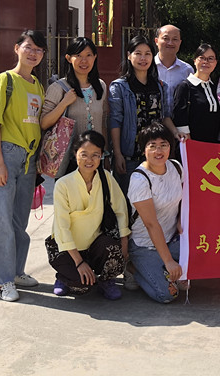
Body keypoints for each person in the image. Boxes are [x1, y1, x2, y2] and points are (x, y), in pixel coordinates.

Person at [0, 29, 47, 302]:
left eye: (38, 50)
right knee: (0, 222)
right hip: (6, 155)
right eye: (28, 47)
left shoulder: (38, 85)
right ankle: (1, 280)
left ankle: (17, 272)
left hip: (28, 161)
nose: (33, 53)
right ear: (17, 48)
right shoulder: (4, 80)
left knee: (19, 222)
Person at [49, 130, 129, 300]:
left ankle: (106, 281)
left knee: (113, 249)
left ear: (101, 156)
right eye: (84, 154)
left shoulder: (106, 178)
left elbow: (121, 210)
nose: (89, 160)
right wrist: (78, 262)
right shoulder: (63, 185)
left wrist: (124, 242)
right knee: (82, 288)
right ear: (75, 154)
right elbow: (62, 227)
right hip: (67, 249)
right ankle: (63, 277)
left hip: (95, 245)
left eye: (95, 155)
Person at [108, 35, 181, 192]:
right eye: (138, 53)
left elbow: (165, 116)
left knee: (156, 198)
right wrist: (118, 154)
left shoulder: (161, 86)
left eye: (147, 54)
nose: (143, 58)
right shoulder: (119, 87)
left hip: (156, 154)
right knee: (129, 199)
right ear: (129, 55)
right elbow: (115, 121)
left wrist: (176, 133)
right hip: (130, 156)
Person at [127, 121, 184, 303]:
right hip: (145, 245)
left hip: (171, 239)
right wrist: (168, 262)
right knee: (169, 294)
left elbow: (185, 200)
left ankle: (163, 268)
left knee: (201, 261)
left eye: (163, 145)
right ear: (144, 149)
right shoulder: (140, 179)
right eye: (152, 146)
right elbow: (151, 224)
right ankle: (133, 267)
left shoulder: (176, 167)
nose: (158, 151)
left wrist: (180, 220)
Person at [40, 37, 108, 178]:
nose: (84, 61)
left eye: (88, 55)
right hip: (68, 160)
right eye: (78, 55)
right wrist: (64, 103)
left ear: (95, 57)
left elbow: (103, 122)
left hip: (95, 159)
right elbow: (44, 123)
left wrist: (106, 153)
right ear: (68, 58)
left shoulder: (100, 86)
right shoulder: (58, 88)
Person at [173, 43, 220, 143]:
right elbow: (179, 117)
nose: (206, 62)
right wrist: (189, 143)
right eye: (202, 58)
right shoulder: (185, 87)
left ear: (216, 62)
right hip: (192, 144)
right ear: (195, 60)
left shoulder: (216, 88)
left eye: (210, 58)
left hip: (214, 144)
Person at [154, 24, 193, 117]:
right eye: (166, 38)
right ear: (156, 41)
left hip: (179, 122)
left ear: (180, 42)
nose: (170, 43)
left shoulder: (187, 70)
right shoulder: (148, 67)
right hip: (152, 122)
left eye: (175, 39)